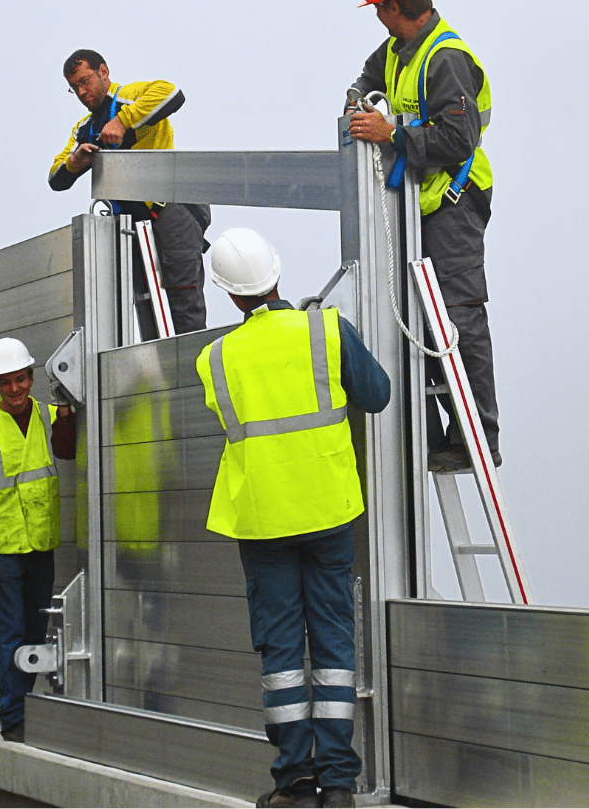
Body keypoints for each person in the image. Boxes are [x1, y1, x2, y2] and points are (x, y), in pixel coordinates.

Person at [195, 229, 390, 809]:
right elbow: (376, 394)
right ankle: (339, 786)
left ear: (229, 296)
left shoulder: (216, 358)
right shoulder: (326, 329)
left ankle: (295, 785)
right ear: (278, 274)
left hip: (261, 520)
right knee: (333, 643)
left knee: (281, 652)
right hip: (328, 509)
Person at [346, 0, 500, 473]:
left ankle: (477, 435)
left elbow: (459, 138)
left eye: (378, 9)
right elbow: (364, 80)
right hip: (422, 201)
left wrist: (391, 133)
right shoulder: (394, 51)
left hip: (454, 198)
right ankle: (434, 435)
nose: (379, 20)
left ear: (392, 6)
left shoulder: (444, 57)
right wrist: (356, 104)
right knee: (415, 318)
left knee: (457, 314)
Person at [0, 336, 75, 742]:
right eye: (5, 383)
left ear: (30, 376)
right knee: (9, 632)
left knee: (34, 632)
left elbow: (68, 449)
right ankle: (14, 718)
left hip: (41, 544)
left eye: (21, 379)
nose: (15, 389)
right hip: (4, 550)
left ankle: (26, 709)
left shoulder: (47, 415)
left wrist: (68, 411)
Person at [49, 49, 211, 334]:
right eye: (74, 87)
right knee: (147, 306)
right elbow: (56, 177)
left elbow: (172, 93)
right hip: (133, 229)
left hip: (169, 211)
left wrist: (123, 121)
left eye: (86, 81)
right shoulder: (84, 130)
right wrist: (75, 163)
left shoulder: (129, 96)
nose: (82, 91)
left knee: (185, 306)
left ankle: (192, 374)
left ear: (104, 72)